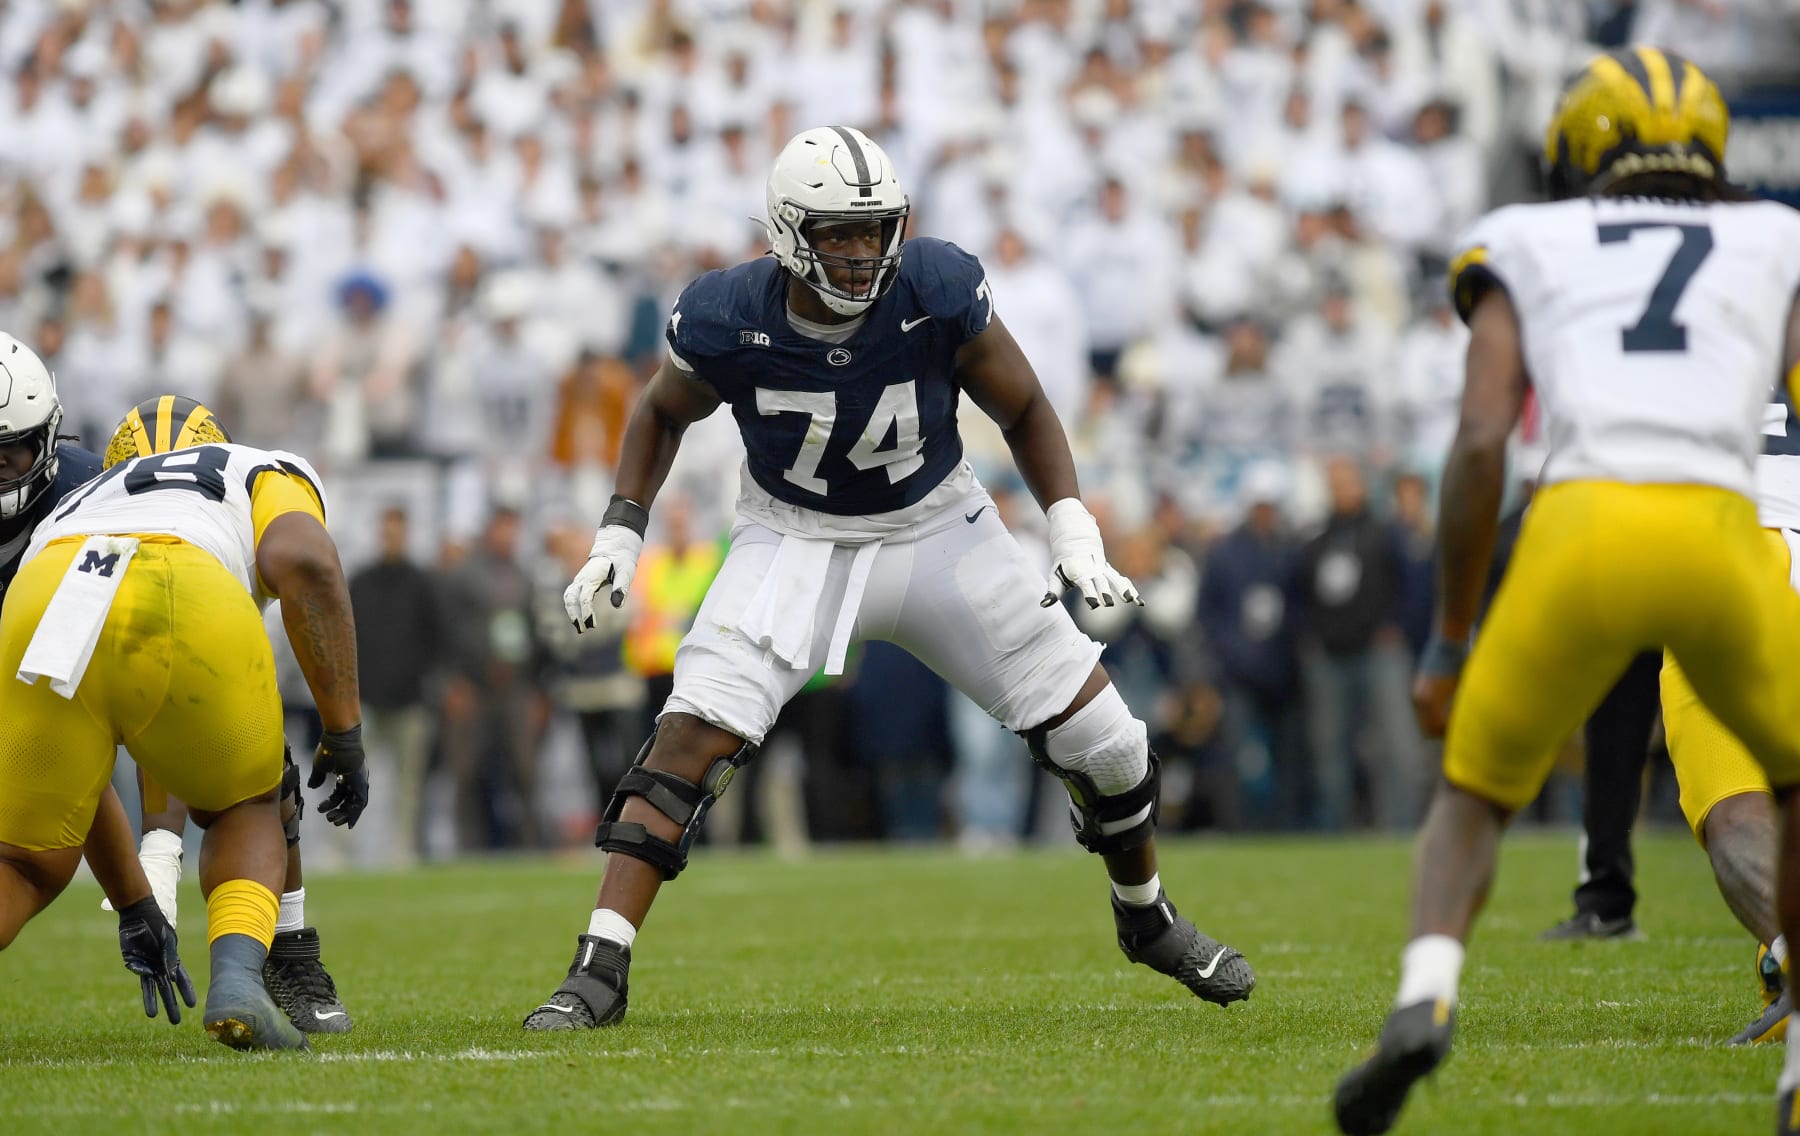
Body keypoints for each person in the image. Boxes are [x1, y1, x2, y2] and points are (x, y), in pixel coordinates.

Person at [524, 126, 1254, 1030]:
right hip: (792, 535)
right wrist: (619, 537)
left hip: (938, 524)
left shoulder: (937, 285)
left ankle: (1147, 919)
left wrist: (1071, 524)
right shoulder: (724, 312)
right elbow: (660, 412)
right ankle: (598, 969)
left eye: (875, 229)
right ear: (789, 233)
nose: (865, 252)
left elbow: (1021, 403)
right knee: (686, 738)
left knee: (1108, 743)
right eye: (840, 233)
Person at [1334, 49, 1800, 1135]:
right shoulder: (1773, 236)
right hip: (1729, 528)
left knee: (1474, 795)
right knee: (1787, 780)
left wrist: (1451, 634)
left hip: (1585, 523)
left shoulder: (1529, 238)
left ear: (1580, 148)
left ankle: (1425, 992)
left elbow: (1483, 436)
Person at [0, 394, 369, 1051]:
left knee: (25, 864)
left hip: (47, 586)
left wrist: (137, 900)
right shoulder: (260, 467)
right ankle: (238, 981)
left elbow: (83, 796)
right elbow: (307, 563)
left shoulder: (78, 498)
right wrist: (343, 730)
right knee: (248, 805)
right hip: (182, 576)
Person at [0, 334, 194, 1025]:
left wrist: (142, 890)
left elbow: (68, 744)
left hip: (42, 705)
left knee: (35, 856)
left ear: (48, 438)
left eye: (7, 454)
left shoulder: (92, 507)